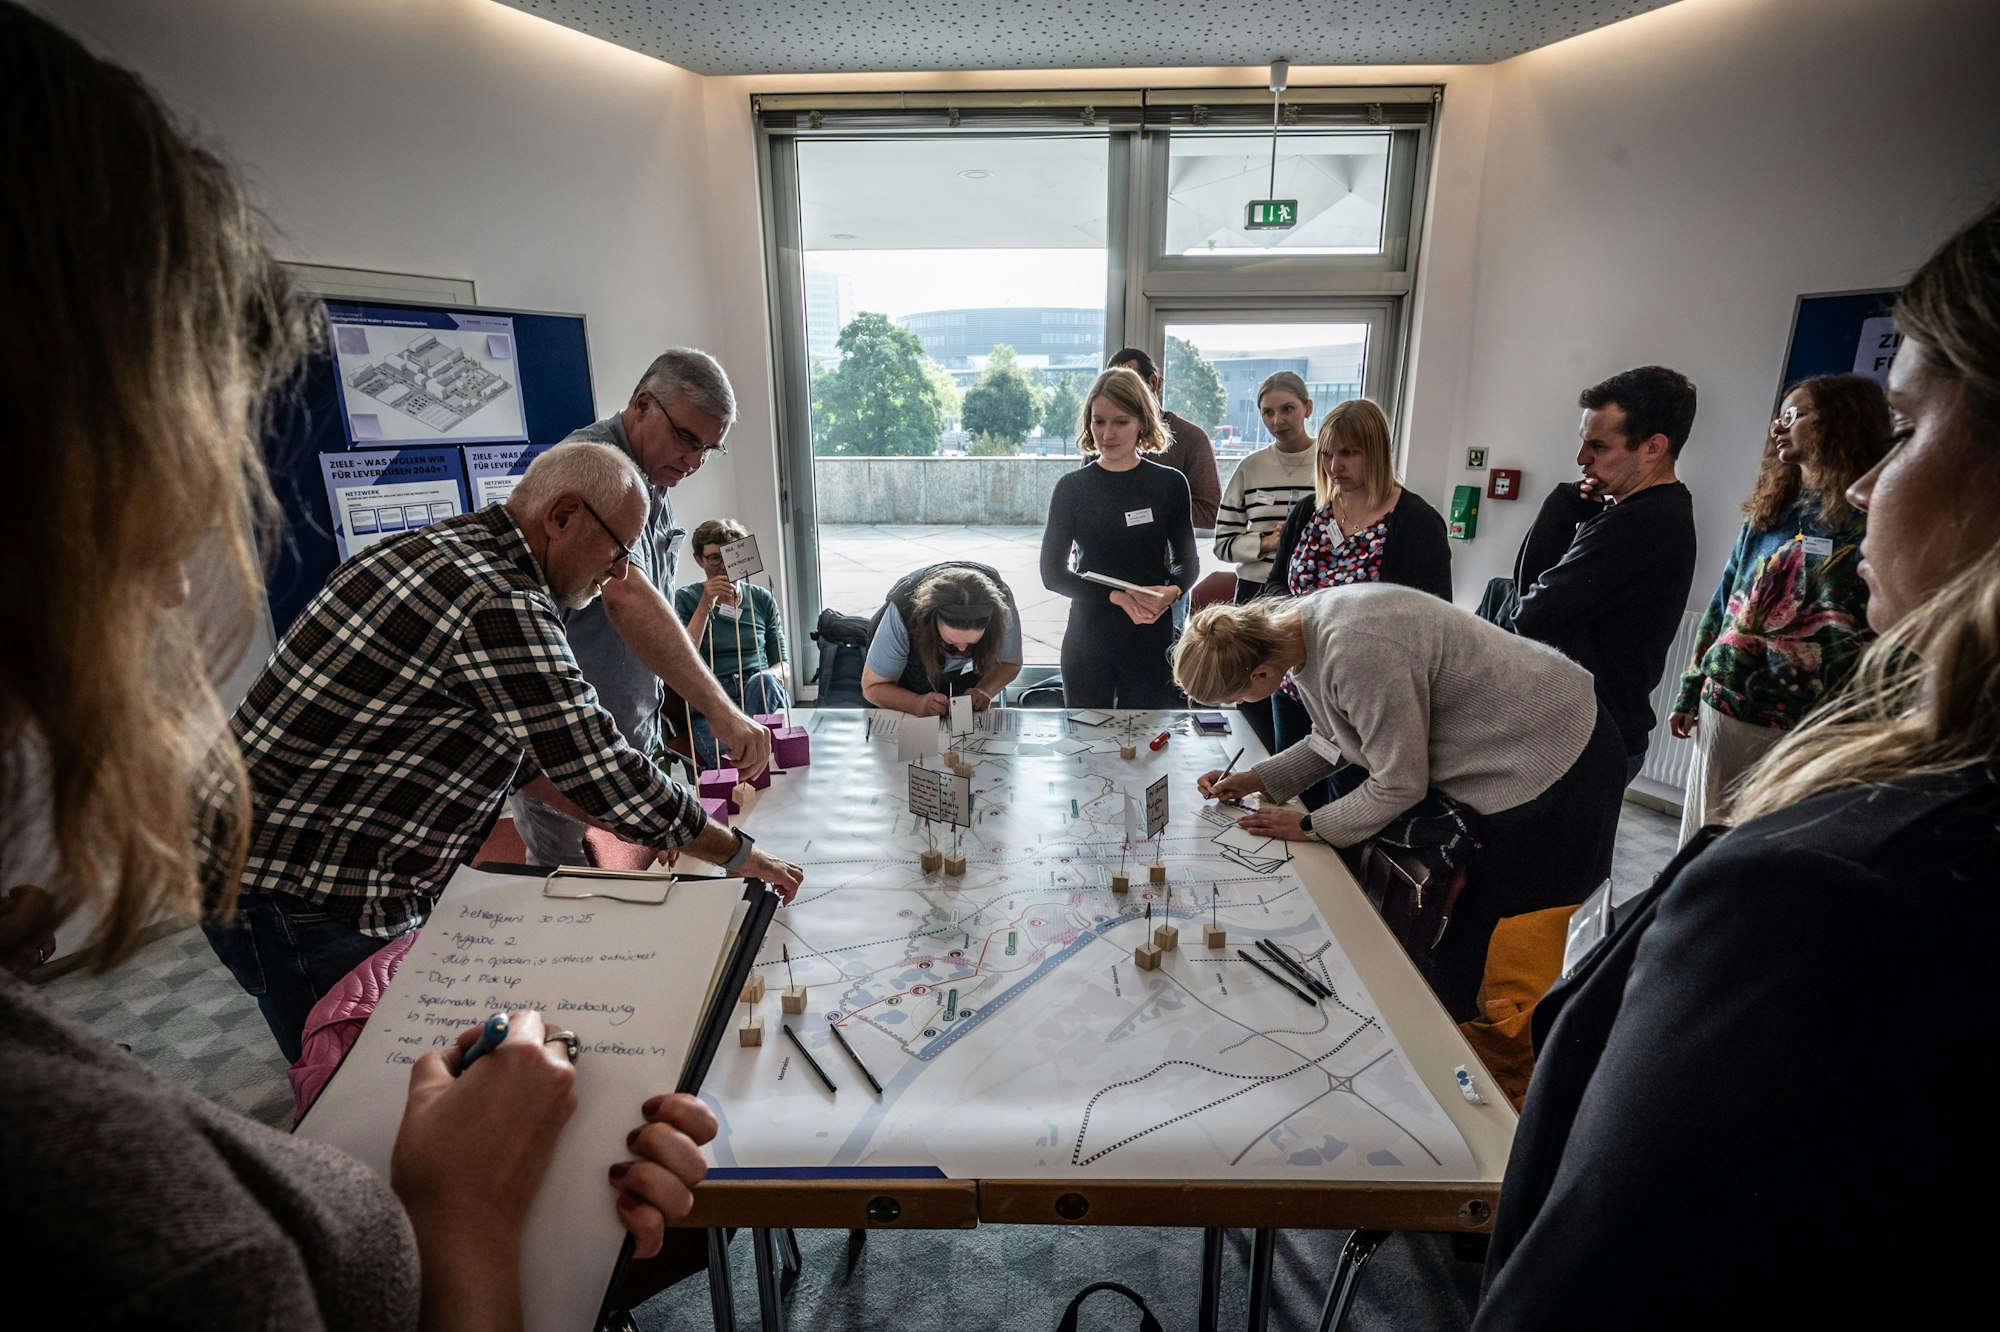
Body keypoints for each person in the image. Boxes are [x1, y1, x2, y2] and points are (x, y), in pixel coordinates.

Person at [0, 8, 714, 1327]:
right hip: (288, 887)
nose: (179, 585)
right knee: (351, 1096)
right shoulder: (490, 584)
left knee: (395, 1103)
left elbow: (531, 755)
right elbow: (579, 751)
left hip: (326, 875)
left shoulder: (474, 558)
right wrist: (461, 1219)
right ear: (565, 517)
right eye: (165, 496)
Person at [1472, 200, 2000, 1329]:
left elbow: (1609, 1255)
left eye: (1904, 430)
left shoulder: (1817, 892)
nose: (1862, 486)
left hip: (1594, 734)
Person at [201, 442, 803, 1062]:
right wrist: (737, 855)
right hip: (298, 884)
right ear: (562, 516)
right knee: (355, 1076)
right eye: (618, 551)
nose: (620, 575)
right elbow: (602, 773)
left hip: (312, 860)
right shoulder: (497, 596)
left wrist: (655, 823)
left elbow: (540, 765)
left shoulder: (447, 552)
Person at [1175, 587, 1626, 1021]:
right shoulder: (1297, 635)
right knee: (1473, 935)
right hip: (1519, 741)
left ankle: (1519, 1058)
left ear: (1260, 673)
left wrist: (1310, 825)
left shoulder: (1355, 651)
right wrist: (1256, 779)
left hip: (1555, 754)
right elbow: (1333, 740)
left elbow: (1398, 784)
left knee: (1522, 936)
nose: (1238, 704)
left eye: (1235, 697)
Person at [509, 348, 775, 867]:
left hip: (628, 734)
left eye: (709, 450)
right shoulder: (593, 472)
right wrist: (722, 712)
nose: (695, 461)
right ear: (643, 404)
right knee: (568, 892)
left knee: (632, 889)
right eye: (686, 439)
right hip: (568, 750)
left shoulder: (657, 481)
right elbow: (629, 596)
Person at [1666, 374, 1889, 841]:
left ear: (1840, 423)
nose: (1778, 426)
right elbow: (1726, 598)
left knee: (1767, 851)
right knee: (1700, 841)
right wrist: (1691, 687)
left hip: (1810, 727)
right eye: (1779, 415)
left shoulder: (1876, 518)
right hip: (1727, 708)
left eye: (1795, 414)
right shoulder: (1772, 509)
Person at [1505, 365, 1699, 781]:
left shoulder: (1641, 522)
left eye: (1599, 446)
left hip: (1587, 740)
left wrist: (1557, 511)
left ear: (1652, 447)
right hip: (1591, 733)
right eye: (1583, 442)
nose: (1581, 459)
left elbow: (1528, 616)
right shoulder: (1641, 512)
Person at [1259, 397, 1452, 806]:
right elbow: (1275, 588)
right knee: (1292, 799)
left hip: (1365, 700)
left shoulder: (1415, 522)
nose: (1334, 466)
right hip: (1299, 688)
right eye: (1328, 454)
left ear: (1376, 452)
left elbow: (1431, 622)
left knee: (1346, 809)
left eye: (1349, 453)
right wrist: (1299, 620)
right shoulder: (1310, 513)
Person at [1041, 368, 1200, 708]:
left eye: (1120, 422)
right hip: (1089, 634)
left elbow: (1188, 561)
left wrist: (1172, 592)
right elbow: (1052, 574)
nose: (1107, 433)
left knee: (1144, 747)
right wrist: (1116, 597)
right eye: (1098, 422)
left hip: (1150, 633)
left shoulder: (1170, 484)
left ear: (1142, 422)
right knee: (1085, 746)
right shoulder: (1072, 488)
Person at [673, 518, 789, 770]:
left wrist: (768, 676)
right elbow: (682, 656)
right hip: (714, 697)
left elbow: (783, 663)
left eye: (732, 557)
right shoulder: (685, 599)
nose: (724, 567)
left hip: (758, 689)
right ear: (699, 560)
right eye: (715, 558)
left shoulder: (761, 599)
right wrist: (707, 601)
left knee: (763, 684)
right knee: (739, 766)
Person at [860, 563, 1023, 715]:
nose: (962, 649)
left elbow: (1010, 663)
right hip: (908, 672)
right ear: (931, 620)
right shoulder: (902, 615)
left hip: (958, 676)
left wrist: (985, 689)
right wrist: (917, 704)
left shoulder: (1002, 608)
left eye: (972, 643)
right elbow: (873, 687)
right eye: (951, 641)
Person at [1214, 371, 1320, 601]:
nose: (1277, 420)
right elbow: (1222, 544)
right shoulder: (1250, 468)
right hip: (1256, 590)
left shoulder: (1331, 463)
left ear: (1308, 408)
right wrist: (1265, 543)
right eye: (1268, 412)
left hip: (1314, 589)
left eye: (1287, 409)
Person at [1106, 346, 1223, 530]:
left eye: (1129, 384)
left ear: (1153, 382)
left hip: (1164, 557)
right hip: (1101, 557)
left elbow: (1210, 512)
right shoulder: (1104, 437)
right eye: (1114, 386)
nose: (1120, 393)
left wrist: (1148, 509)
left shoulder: (1191, 438)